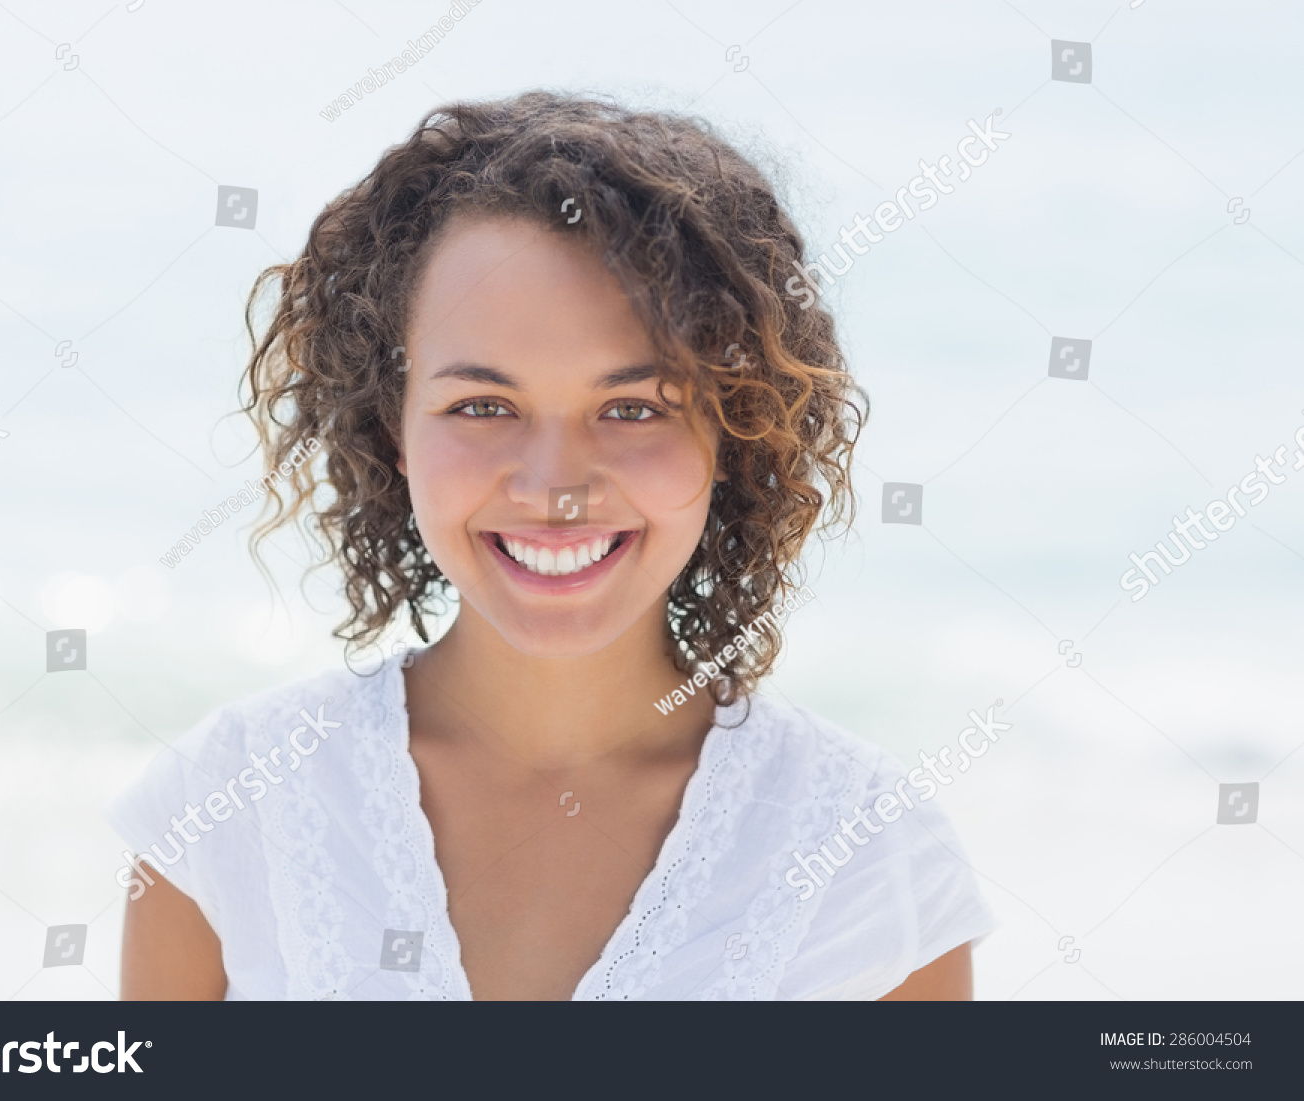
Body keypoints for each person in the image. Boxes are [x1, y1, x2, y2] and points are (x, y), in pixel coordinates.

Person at [111, 92, 993, 1000]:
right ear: (392, 431)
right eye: (483, 407)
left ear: (736, 432)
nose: (554, 486)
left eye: (633, 408)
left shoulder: (871, 862)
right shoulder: (224, 812)